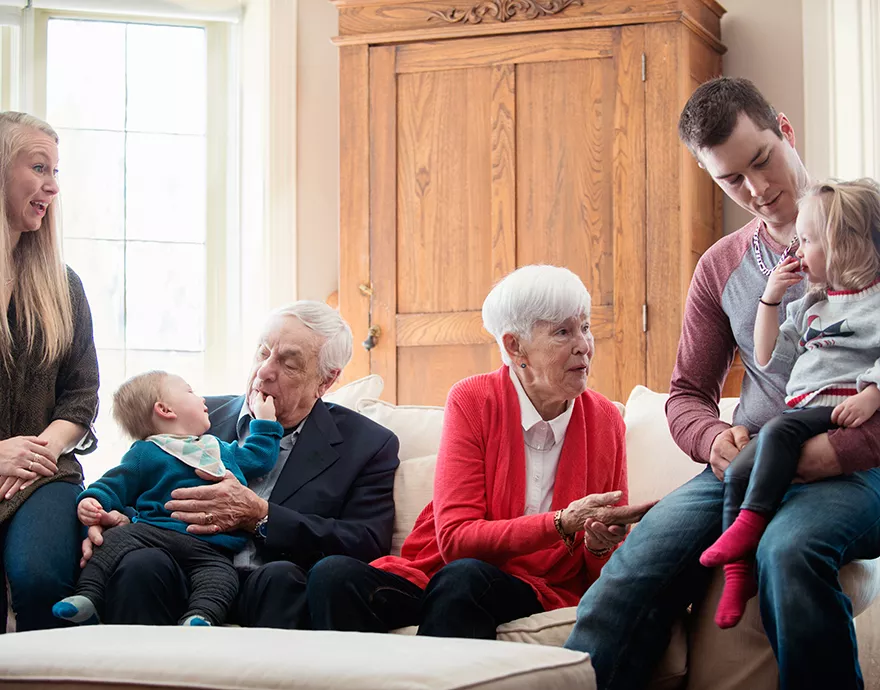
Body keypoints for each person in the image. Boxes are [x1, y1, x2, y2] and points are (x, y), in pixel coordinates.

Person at [565, 77, 880, 690]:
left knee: (785, 554)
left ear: (785, 131)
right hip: (751, 459)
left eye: (762, 160)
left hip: (858, 462)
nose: (757, 189)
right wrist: (712, 440)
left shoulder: (866, 223)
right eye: (732, 179)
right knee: (632, 571)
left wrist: (841, 449)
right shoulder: (721, 267)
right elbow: (685, 394)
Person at [306, 265, 654, 639]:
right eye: (562, 332)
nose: (583, 344)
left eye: (585, 328)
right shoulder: (473, 399)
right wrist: (560, 523)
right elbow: (456, 539)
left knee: (465, 580)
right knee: (332, 575)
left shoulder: (604, 420)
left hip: (532, 586)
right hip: (440, 570)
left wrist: (600, 545)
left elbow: (600, 565)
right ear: (513, 346)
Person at [82, 301, 400, 629]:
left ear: (325, 381)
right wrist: (109, 518)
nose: (264, 371)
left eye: (288, 363)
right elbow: (134, 484)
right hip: (184, 573)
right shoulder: (193, 419)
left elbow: (365, 541)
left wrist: (262, 516)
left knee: (279, 578)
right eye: (262, 353)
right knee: (140, 564)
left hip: (274, 585)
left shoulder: (367, 443)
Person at [700, 179, 880, 628]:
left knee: (777, 430)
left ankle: (749, 524)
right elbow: (766, 357)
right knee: (739, 470)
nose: (795, 250)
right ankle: (738, 570)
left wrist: (873, 393)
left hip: (839, 412)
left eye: (806, 240)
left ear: (845, 244)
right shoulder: (809, 308)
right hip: (804, 416)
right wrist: (771, 298)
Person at [53, 371, 282, 626]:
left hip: (209, 548)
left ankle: (201, 617)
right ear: (165, 409)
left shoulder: (219, 449)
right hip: (154, 534)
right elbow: (114, 484)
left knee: (222, 577)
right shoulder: (145, 452)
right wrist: (92, 501)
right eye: (190, 391)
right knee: (111, 542)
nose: (201, 398)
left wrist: (265, 421)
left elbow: (258, 457)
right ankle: (87, 596)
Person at [0, 111, 99, 631]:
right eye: (40, 167)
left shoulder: (65, 286)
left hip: (45, 474)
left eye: (56, 172)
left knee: (38, 576)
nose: (52, 187)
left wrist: (33, 455)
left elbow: (81, 397)